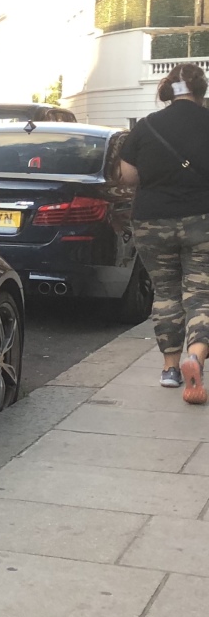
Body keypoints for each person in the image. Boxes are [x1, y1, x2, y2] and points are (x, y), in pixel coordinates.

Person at [119, 62, 209, 404]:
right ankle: (195, 357)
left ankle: (171, 369)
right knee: (201, 291)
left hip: (152, 220)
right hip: (204, 219)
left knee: (166, 291)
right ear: (201, 91)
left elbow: (128, 176)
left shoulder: (146, 127)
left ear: (168, 91)